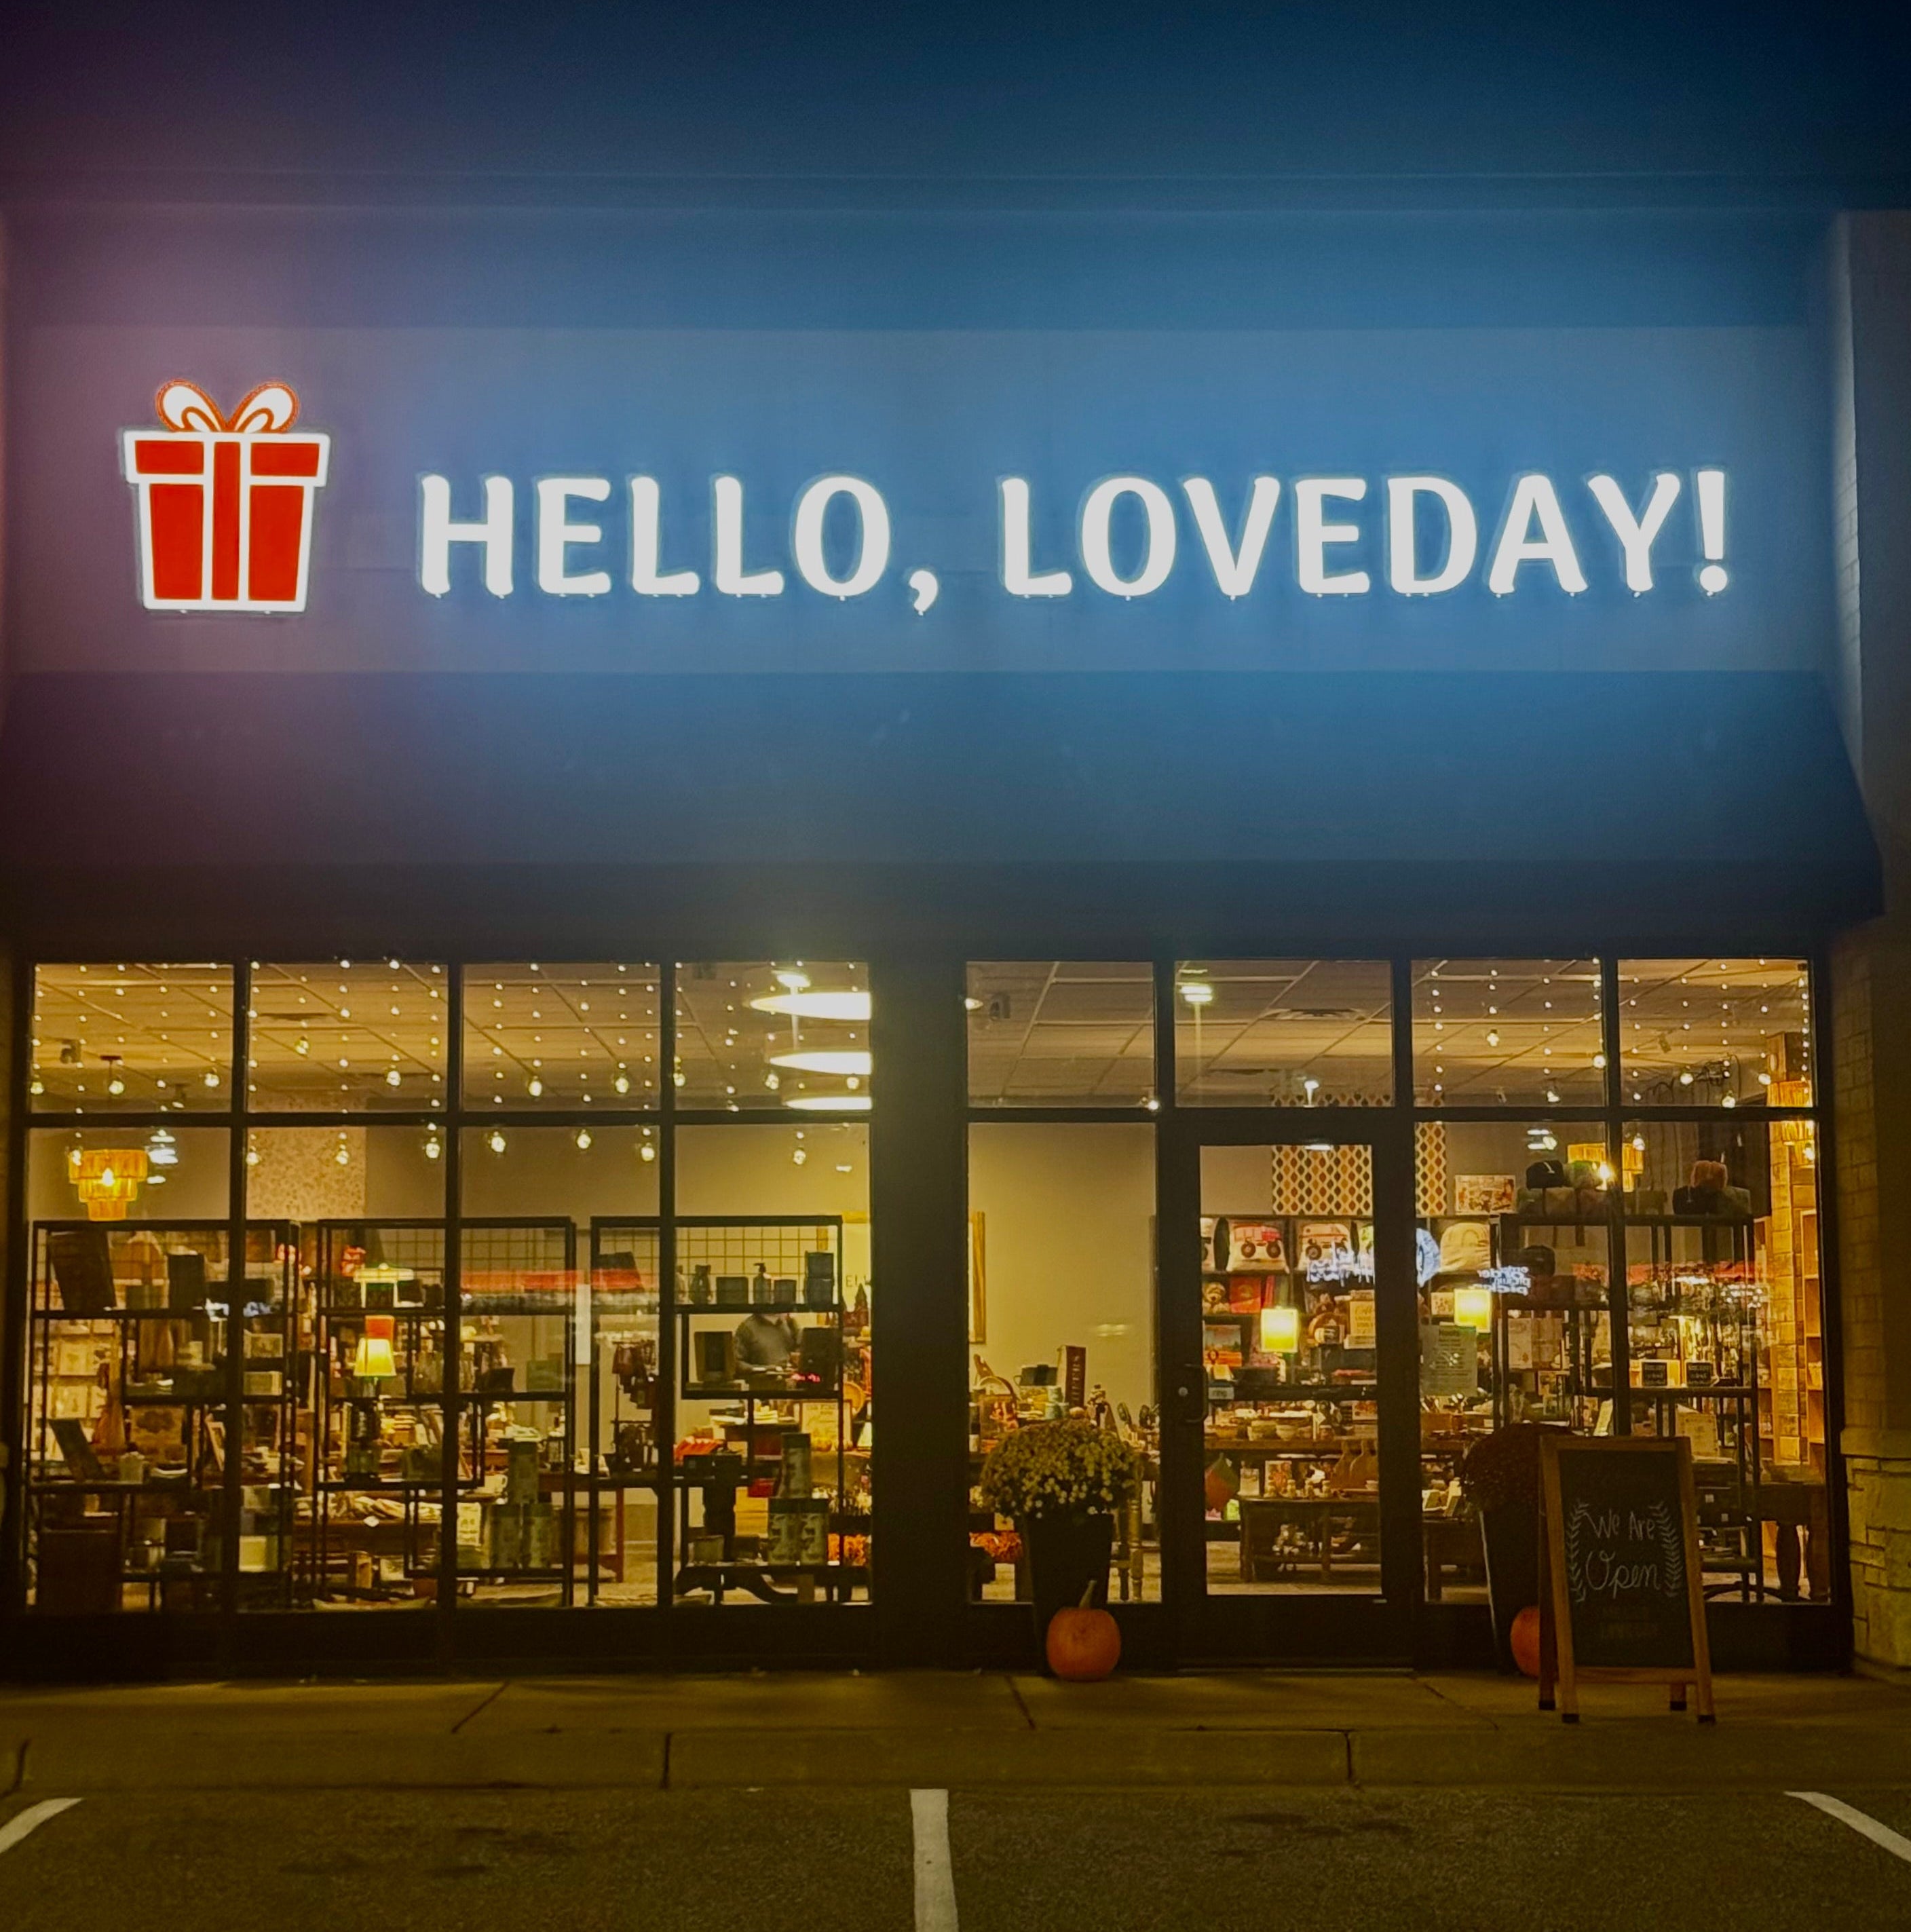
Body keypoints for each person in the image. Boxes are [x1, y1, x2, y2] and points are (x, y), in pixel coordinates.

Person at [735, 1310, 799, 1370]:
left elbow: (798, 1353)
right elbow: (738, 1364)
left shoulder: (789, 1325)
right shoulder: (748, 1328)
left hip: (789, 1378)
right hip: (762, 1379)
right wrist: (767, 1369)